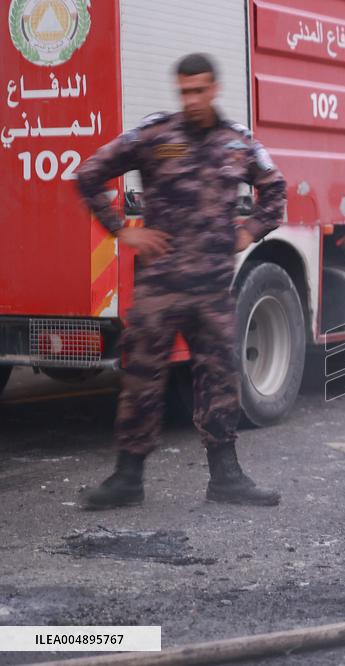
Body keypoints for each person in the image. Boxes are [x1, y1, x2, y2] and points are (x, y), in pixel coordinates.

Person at [75, 53, 286, 510]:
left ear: (214, 90)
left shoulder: (238, 143)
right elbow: (89, 173)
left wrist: (250, 229)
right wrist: (122, 229)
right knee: (141, 379)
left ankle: (226, 477)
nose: (191, 99)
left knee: (220, 377)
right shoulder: (155, 135)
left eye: (199, 90)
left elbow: (275, 189)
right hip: (161, 285)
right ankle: (127, 477)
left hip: (212, 288)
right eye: (184, 91)